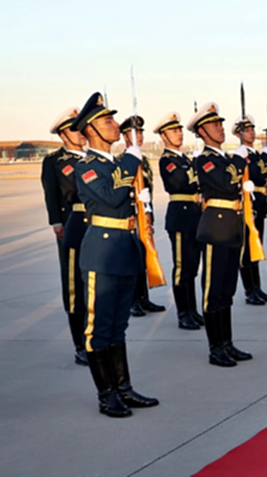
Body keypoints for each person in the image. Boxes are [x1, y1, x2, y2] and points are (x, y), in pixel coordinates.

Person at [71, 92, 158, 417]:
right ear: (90, 129)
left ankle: (124, 388)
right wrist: (132, 159)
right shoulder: (87, 167)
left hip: (124, 247)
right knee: (99, 328)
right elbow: (110, 198)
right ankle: (106, 394)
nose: (114, 126)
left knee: (118, 326)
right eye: (107, 121)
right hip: (102, 252)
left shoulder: (115, 163)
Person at [188, 103, 254, 368]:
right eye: (215, 125)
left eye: (220, 123)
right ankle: (215, 348)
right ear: (202, 130)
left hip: (232, 226)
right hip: (216, 228)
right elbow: (227, 185)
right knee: (213, 291)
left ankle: (227, 343)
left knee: (227, 290)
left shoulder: (225, 158)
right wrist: (240, 159)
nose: (221, 128)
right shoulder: (204, 159)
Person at [44, 107, 90, 365]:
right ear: (63, 134)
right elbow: (51, 194)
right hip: (71, 226)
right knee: (74, 286)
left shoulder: (92, 157)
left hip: (96, 226)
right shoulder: (54, 161)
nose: (80, 133)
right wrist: (56, 223)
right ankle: (79, 344)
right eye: (74, 128)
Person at [155, 112, 204, 330]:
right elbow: (181, 183)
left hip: (195, 216)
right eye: (173, 131)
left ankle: (192, 310)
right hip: (181, 217)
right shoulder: (168, 160)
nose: (179, 134)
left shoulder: (185, 159)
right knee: (182, 268)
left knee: (193, 268)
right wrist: (198, 171)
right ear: (163, 135)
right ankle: (183, 313)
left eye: (179, 130)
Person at [118, 116, 166, 318]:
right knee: (132, 261)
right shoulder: (121, 160)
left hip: (144, 215)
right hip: (130, 216)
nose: (139, 136)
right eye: (134, 132)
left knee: (144, 257)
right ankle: (132, 301)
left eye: (141, 132)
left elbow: (149, 190)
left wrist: (149, 214)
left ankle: (144, 298)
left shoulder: (143, 160)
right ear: (125, 136)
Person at [232, 115, 267, 306]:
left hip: (259, 203)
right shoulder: (240, 155)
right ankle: (249, 290)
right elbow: (257, 174)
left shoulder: (255, 154)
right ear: (238, 134)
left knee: (256, 248)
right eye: (247, 130)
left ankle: (257, 288)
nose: (251, 132)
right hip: (247, 206)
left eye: (252, 129)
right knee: (247, 251)